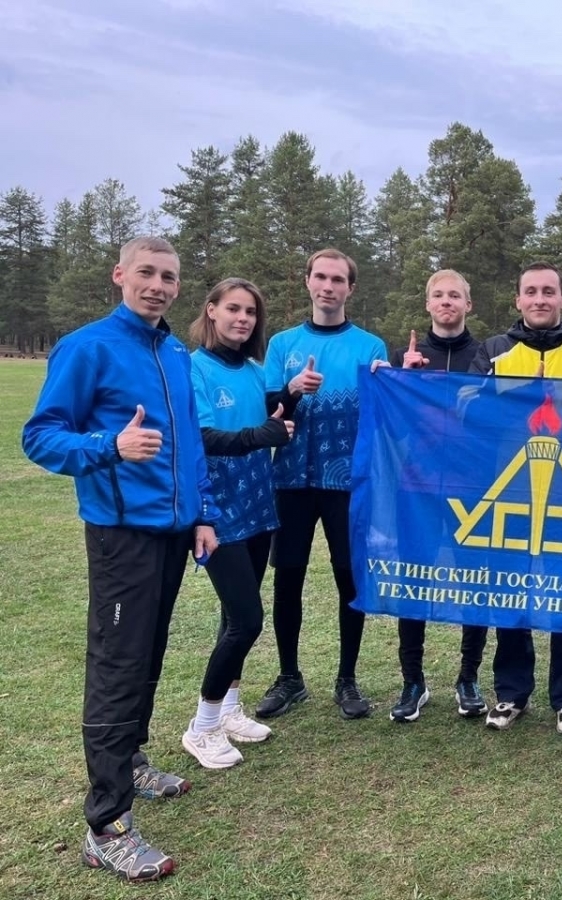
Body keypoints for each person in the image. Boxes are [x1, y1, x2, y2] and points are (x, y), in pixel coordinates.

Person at [23, 236, 219, 882]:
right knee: (117, 664)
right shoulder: (88, 346)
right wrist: (111, 445)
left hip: (173, 531)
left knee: (149, 650)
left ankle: (131, 761)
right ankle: (106, 826)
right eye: (147, 273)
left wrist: (203, 513)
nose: (158, 286)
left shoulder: (175, 351)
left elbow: (190, 444)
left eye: (169, 277)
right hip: (121, 534)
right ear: (120, 275)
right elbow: (41, 436)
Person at [256, 249, 388, 721]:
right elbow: (267, 411)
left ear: (351, 288)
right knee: (287, 576)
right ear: (308, 282)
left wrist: (390, 381)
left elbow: (383, 411)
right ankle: (289, 677)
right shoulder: (281, 344)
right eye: (321, 277)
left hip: (346, 481)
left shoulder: (370, 346)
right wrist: (292, 390)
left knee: (348, 578)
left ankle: (347, 678)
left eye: (337, 279)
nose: (328, 286)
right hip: (291, 480)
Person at [468, 262, 562, 734]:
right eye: (531, 291)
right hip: (511, 486)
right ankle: (511, 691)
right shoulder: (494, 350)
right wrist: (522, 389)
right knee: (510, 591)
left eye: (548, 291)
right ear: (518, 300)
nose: (540, 299)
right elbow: (470, 411)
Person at [181, 278, 295, 768]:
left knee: (234, 617)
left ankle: (228, 708)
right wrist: (261, 435)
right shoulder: (193, 368)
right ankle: (202, 725)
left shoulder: (253, 370)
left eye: (250, 312)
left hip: (257, 507)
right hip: (216, 511)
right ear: (211, 311)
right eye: (233, 309)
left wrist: (291, 402)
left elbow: (272, 420)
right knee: (248, 620)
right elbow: (202, 437)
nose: (243, 319)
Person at [387, 269, 489, 723]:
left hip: (473, 486)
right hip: (418, 486)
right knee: (414, 579)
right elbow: (392, 424)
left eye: (455, 296)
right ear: (428, 303)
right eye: (438, 295)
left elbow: (497, 419)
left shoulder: (486, 356)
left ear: (468, 304)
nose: (446, 302)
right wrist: (398, 380)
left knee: (476, 582)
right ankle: (413, 681)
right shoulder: (406, 356)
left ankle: (468, 677)